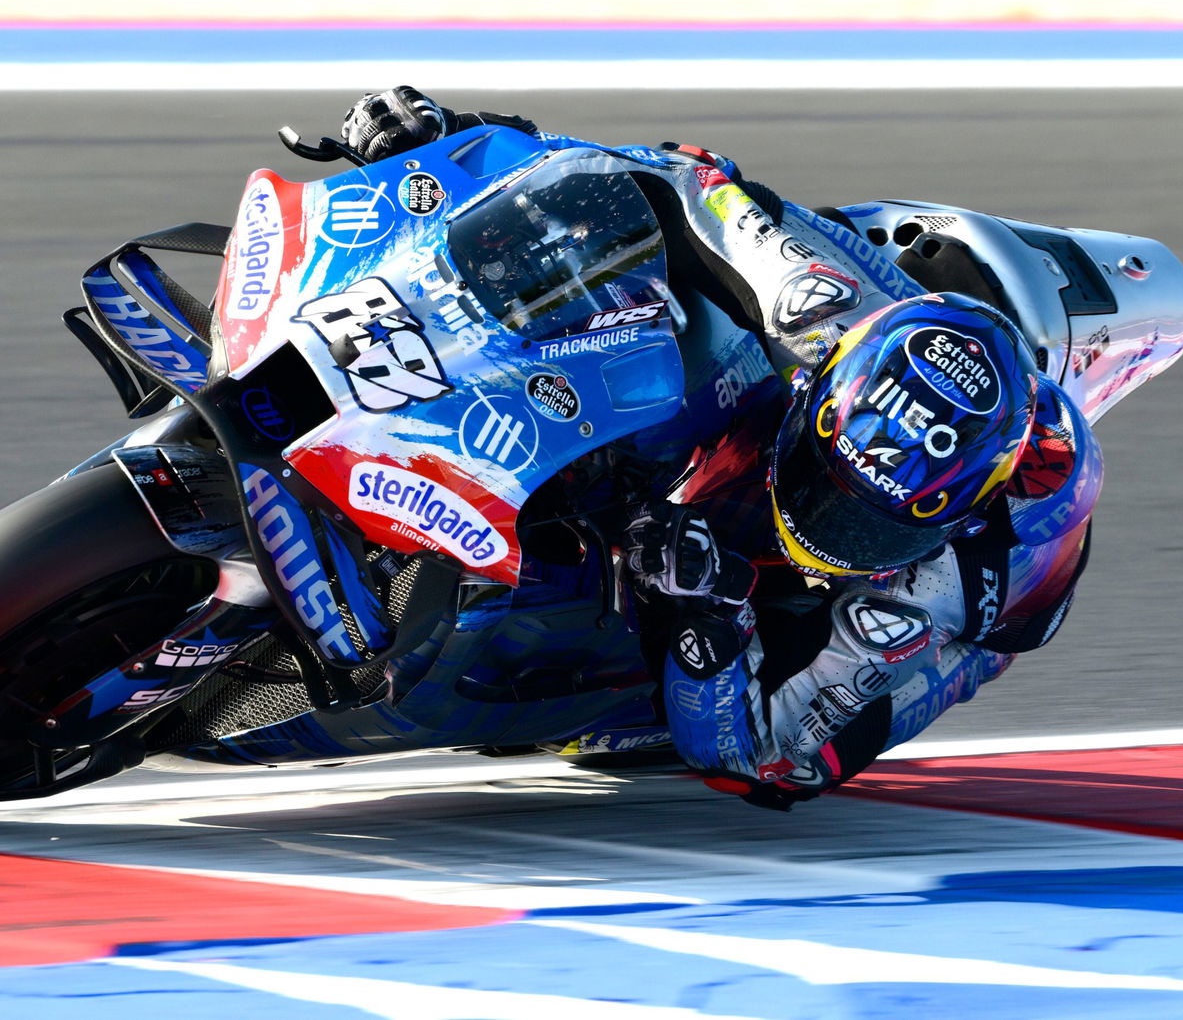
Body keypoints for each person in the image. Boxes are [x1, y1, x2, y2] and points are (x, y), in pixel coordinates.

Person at [339, 87, 1101, 810]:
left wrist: (709, 613)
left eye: (864, 519)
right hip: (819, 335)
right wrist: (456, 147)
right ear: (824, 393)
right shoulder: (819, 314)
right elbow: (673, 179)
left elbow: (769, 758)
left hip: (893, 616)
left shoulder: (937, 597)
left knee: (731, 702)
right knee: (649, 289)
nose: (825, 528)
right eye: (826, 490)